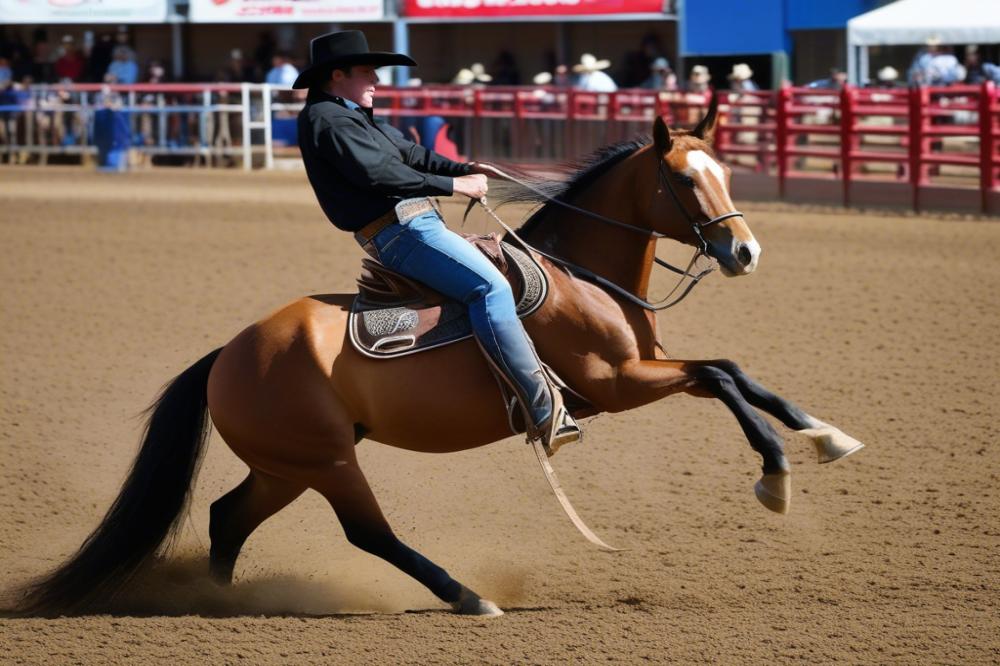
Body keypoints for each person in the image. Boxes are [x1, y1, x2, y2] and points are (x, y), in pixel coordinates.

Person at [293, 30, 581, 454]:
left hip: (414, 225)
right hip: (401, 231)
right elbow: (377, 175)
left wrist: (466, 167)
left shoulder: (351, 115)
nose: (376, 79)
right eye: (368, 71)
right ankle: (542, 408)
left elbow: (411, 155)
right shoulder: (328, 119)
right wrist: (453, 184)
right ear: (337, 74)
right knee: (491, 288)